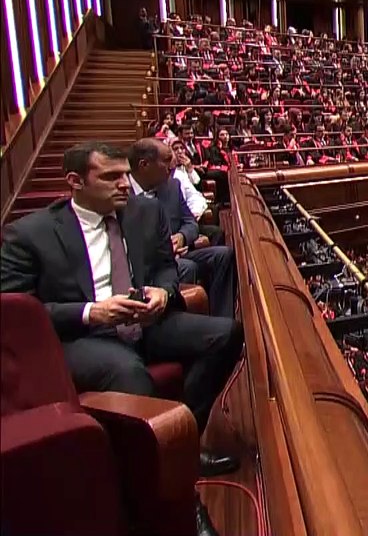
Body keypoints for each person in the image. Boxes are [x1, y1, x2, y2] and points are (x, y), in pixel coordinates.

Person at [0, 141, 244, 536]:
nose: (124, 185)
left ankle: (182, 445)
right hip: (85, 335)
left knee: (227, 333)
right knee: (131, 375)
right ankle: (179, 500)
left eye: (125, 175)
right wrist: (90, 311)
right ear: (76, 182)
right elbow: (14, 311)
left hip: (146, 320)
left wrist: (164, 294)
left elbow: (166, 268)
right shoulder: (31, 233)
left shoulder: (145, 212)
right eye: (111, 177)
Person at [127, 138, 237, 318]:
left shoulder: (171, 186)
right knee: (187, 267)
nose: (171, 165)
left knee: (223, 255)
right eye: (165, 160)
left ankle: (220, 318)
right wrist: (164, 250)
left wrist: (182, 237)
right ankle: (180, 321)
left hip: (181, 250)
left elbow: (191, 223)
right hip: (154, 262)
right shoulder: (123, 195)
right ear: (144, 164)